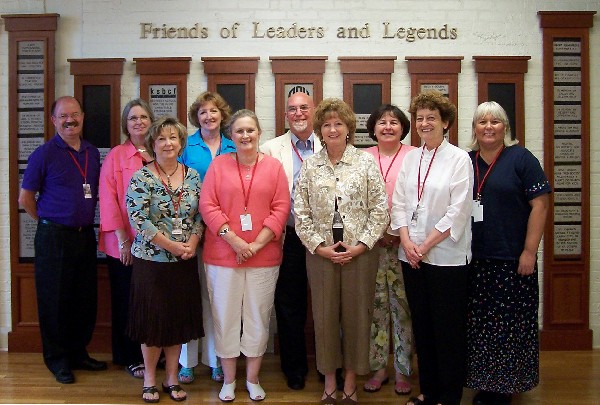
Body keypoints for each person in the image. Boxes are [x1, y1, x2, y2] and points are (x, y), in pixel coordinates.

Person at [294, 98, 389, 405]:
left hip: (359, 254)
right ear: (319, 130)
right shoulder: (310, 166)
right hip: (320, 255)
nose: (332, 129)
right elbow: (301, 212)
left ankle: (350, 380)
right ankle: (330, 380)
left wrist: (360, 246)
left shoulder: (365, 163)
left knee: (357, 318)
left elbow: (380, 210)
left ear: (349, 128)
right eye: (326, 124)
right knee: (324, 318)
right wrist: (320, 248)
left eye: (338, 124)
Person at [200, 109, 290, 402]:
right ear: (231, 135)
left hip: (264, 257)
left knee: (257, 317)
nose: (245, 136)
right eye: (239, 131)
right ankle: (229, 379)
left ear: (259, 133)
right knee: (224, 318)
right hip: (223, 256)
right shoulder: (219, 166)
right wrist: (238, 242)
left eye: (250, 130)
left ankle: (252, 378)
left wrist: (256, 245)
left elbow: (281, 208)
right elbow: (208, 205)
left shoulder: (274, 167)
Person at [390, 91, 473, 405]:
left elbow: (458, 211)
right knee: (422, 327)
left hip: (446, 259)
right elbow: (399, 204)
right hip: (412, 257)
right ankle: (428, 391)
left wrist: (423, 245)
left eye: (431, 118)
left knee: (447, 329)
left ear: (445, 122)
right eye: (420, 118)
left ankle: (449, 396)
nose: (424, 123)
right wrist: (408, 243)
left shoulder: (459, 159)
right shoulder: (411, 157)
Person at [465, 102, 551, 405]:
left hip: (512, 260)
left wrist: (529, 251)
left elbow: (540, 204)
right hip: (475, 260)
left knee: (509, 327)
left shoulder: (521, 158)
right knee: (481, 326)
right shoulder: (466, 160)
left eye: (496, 122)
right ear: (474, 128)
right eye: (482, 122)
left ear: (506, 128)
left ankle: (504, 388)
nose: (489, 127)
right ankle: (484, 383)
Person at [18, 96, 106, 384]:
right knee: (54, 301)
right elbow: (26, 198)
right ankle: (57, 360)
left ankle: (78, 353)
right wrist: (47, 220)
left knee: (83, 300)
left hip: (84, 237)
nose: (70, 120)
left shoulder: (92, 152)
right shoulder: (43, 154)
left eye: (75, 114)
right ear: (54, 120)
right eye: (63, 116)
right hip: (53, 237)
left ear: (83, 116)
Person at [126, 116, 204, 403]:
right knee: (152, 322)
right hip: (151, 261)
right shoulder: (142, 176)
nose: (168, 143)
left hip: (184, 261)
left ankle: (171, 377)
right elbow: (139, 220)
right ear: (152, 144)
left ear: (181, 143)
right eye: (161, 138)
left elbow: (200, 216)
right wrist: (172, 245)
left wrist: (193, 242)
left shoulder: (194, 176)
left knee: (176, 321)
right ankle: (149, 378)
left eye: (173, 137)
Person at [260, 90, 321, 390]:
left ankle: (326, 365)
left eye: (304, 108)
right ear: (286, 115)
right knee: (289, 304)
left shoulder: (330, 142)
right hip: (288, 236)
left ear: (314, 110)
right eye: (292, 109)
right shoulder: (270, 149)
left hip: (324, 240)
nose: (298, 114)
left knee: (325, 303)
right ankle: (294, 367)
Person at [177, 91, 235, 384]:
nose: (209, 117)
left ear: (222, 115)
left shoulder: (233, 145)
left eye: (214, 111)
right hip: (190, 231)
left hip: (224, 233)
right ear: (196, 118)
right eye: (203, 112)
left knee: (215, 298)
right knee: (189, 296)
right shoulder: (186, 146)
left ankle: (216, 360)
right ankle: (186, 361)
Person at [99, 99, 155, 379]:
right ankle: (129, 356)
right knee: (125, 300)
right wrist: (123, 241)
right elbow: (108, 201)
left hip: (155, 245)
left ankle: (150, 355)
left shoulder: (160, 151)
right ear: (126, 123)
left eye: (144, 117)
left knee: (148, 301)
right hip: (124, 244)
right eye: (133, 118)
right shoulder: (116, 156)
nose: (139, 122)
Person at [363, 104, 416, 396]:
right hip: (371, 246)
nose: (387, 127)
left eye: (394, 122)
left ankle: (403, 371)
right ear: (373, 128)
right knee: (377, 307)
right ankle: (378, 368)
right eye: (381, 122)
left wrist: (397, 233)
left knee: (403, 308)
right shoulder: (362, 158)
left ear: (403, 128)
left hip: (405, 245)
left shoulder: (414, 156)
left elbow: (418, 200)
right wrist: (377, 234)